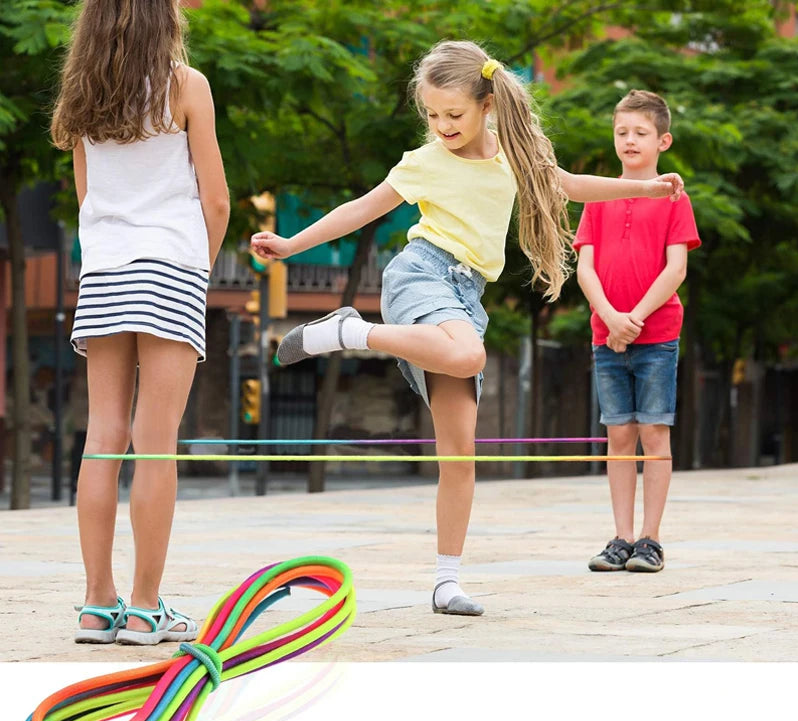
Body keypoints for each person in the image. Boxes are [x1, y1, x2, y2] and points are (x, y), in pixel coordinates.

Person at [251, 41, 684, 616]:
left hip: (465, 297)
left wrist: (645, 189)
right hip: (421, 275)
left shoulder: (514, 155)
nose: (442, 126)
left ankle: (445, 580)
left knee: (459, 454)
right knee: (469, 355)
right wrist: (291, 243)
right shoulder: (425, 161)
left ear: (485, 104)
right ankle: (350, 332)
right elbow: (361, 208)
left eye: (453, 114)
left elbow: (570, 185)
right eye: (432, 115)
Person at [51, 0, 230, 644]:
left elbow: (88, 197)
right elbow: (214, 197)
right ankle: (147, 607)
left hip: (103, 270)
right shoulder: (186, 86)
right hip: (171, 266)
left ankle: (98, 605)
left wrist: (110, 249)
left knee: (103, 435)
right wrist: (197, 272)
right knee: (156, 443)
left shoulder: (82, 95)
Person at [575, 89, 700, 573]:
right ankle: (620, 538)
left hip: (657, 335)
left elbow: (675, 270)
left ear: (662, 140)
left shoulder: (674, 198)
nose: (629, 140)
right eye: (621, 132)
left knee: (654, 433)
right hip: (605, 336)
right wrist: (610, 318)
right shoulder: (596, 198)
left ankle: (651, 539)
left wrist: (634, 320)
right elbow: (585, 269)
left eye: (640, 133)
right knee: (618, 436)